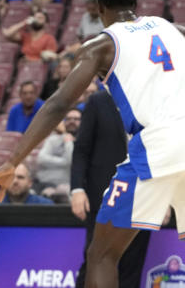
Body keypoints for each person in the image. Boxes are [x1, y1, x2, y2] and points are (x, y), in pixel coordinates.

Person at [0, 0, 185, 288]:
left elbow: (59, 104)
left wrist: (12, 160)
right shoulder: (171, 28)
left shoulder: (102, 45)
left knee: (102, 255)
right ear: (136, 0)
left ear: (99, 7)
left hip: (158, 146)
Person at [71, 90, 150, 288]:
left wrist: (162, 197)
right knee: (95, 259)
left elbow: (160, 151)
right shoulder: (99, 101)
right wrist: (77, 189)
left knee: (132, 265)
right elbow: (81, 148)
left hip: (142, 196)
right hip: (104, 195)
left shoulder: (152, 101)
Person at [34, 108, 81, 201]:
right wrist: (64, 162)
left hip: (67, 186)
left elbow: (71, 160)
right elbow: (41, 158)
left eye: (76, 119)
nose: (72, 121)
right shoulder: (52, 140)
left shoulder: (83, 142)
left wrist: (68, 143)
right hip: (44, 183)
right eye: (68, 119)